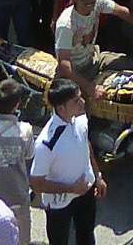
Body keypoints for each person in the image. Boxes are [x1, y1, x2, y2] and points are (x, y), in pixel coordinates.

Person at [27, 81, 103, 245]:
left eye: (80, 97)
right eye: (76, 101)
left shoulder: (80, 119)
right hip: (59, 204)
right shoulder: (46, 143)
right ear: (61, 108)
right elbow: (36, 184)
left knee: (87, 235)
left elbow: (85, 144)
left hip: (86, 192)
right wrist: (71, 189)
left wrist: (97, 176)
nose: (82, 102)